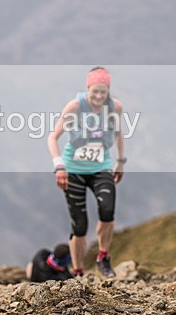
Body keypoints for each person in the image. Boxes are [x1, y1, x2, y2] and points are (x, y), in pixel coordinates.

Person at [47, 67, 126, 278]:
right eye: (95, 92)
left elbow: (118, 133)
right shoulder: (75, 107)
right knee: (80, 226)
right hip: (73, 170)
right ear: (87, 89)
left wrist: (120, 162)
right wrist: (59, 167)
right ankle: (79, 271)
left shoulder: (115, 107)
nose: (99, 96)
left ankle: (103, 258)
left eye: (104, 92)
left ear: (108, 90)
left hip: (101, 167)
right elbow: (52, 137)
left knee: (107, 212)